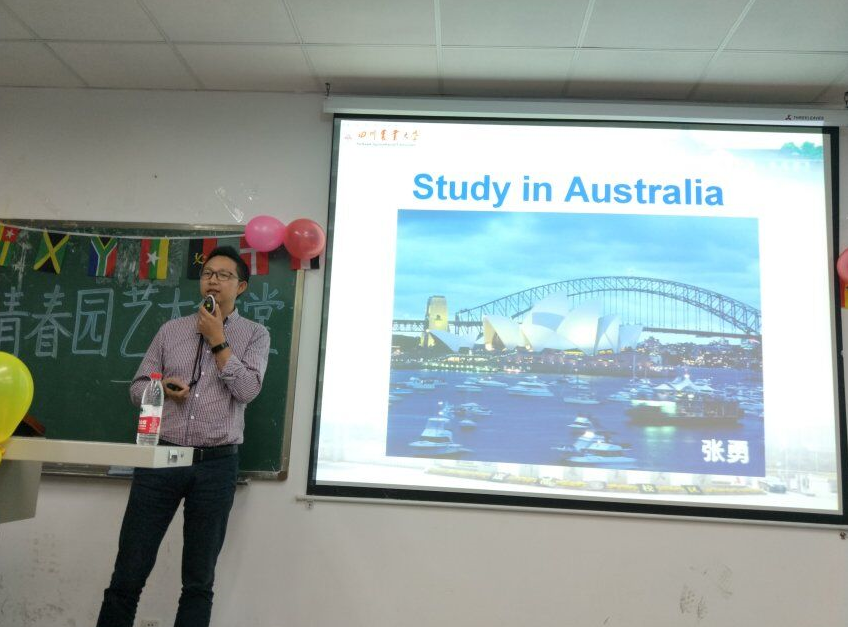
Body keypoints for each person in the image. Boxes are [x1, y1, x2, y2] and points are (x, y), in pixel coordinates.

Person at [97, 246, 271, 627]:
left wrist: (218, 340)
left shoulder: (256, 335)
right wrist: (160, 389)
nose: (213, 280)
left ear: (241, 287)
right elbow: (137, 388)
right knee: (128, 571)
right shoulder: (171, 330)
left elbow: (248, 390)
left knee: (198, 581)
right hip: (161, 458)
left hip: (216, 466)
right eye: (208, 273)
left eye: (224, 275)